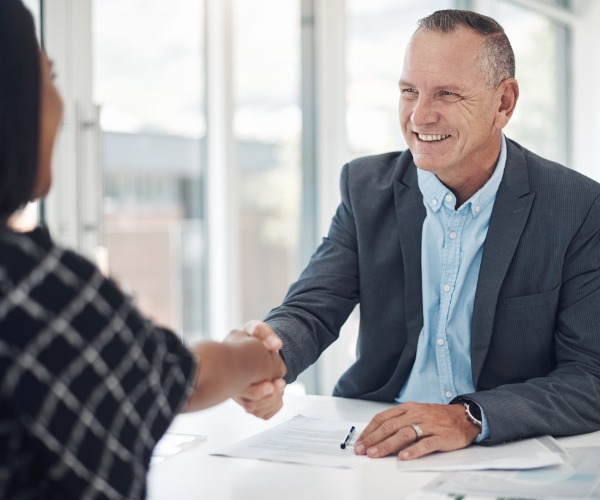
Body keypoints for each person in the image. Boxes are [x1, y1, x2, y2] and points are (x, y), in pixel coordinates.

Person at [235, 9, 600, 460]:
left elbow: (590, 376)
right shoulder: (365, 188)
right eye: (409, 91)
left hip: (497, 444)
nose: (420, 116)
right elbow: (311, 310)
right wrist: (266, 359)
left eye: (447, 93)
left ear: (504, 103)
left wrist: (469, 416)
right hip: (376, 438)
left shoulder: (577, 207)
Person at [0, 0, 285, 498]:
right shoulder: (38, 289)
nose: (61, 106)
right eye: (49, 77)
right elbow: (180, 377)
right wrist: (261, 358)